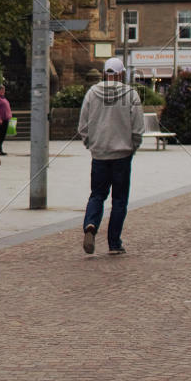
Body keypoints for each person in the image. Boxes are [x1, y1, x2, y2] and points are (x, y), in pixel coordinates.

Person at [77, 57, 143, 256]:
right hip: (122, 154)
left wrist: (91, 144)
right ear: (121, 73)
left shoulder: (92, 93)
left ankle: (90, 224)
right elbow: (138, 127)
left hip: (100, 154)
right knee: (119, 199)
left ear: (105, 73)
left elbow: (83, 125)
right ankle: (114, 242)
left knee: (97, 194)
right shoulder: (131, 94)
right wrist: (133, 146)